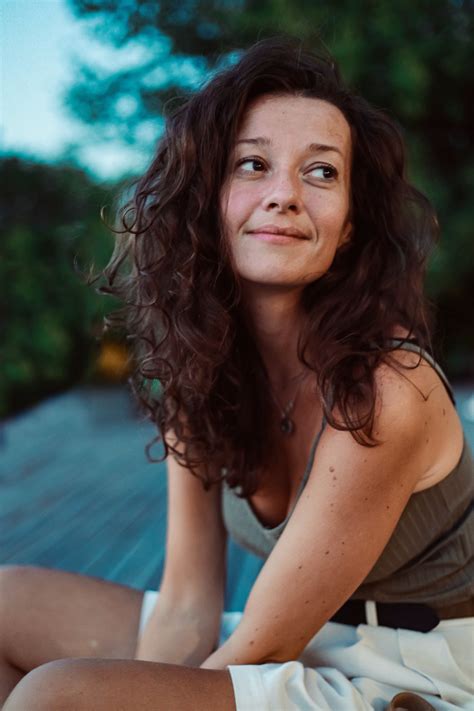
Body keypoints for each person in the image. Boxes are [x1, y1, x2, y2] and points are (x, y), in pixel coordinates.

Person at [1, 37, 473, 711]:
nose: (283, 195)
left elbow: (261, 649)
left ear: (346, 227)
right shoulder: (199, 368)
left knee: (59, 695)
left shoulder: (389, 385)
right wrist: (133, 683)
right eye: (252, 164)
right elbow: (190, 604)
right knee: (6, 605)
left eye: (321, 173)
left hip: (417, 669)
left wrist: (109, 695)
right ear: (206, 199)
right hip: (295, 647)